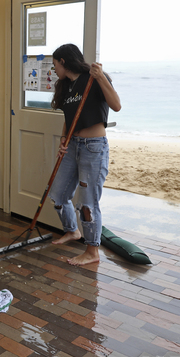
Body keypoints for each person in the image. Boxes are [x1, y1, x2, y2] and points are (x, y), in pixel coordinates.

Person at [48, 44, 121, 266]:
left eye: (54, 65)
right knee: (58, 194)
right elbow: (68, 118)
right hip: (72, 146)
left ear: (63, 61)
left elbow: (116, 106)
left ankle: (92, 251)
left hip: (93, 147)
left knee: (87, 203)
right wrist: (64, 139)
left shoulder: (93, 78)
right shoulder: (65, 86)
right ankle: (72, 231)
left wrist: (101, 78)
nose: (53, 70)